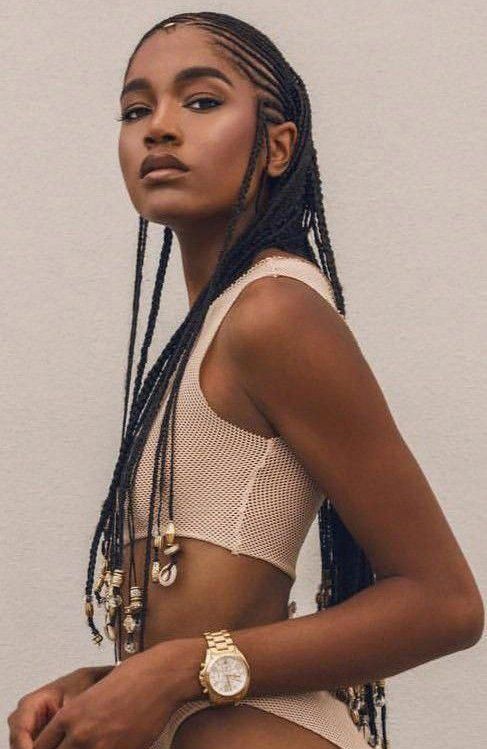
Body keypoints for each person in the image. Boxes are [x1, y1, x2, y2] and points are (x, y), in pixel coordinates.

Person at [8, 11, 484, 749]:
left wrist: (171, 672)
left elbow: (445, 604)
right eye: (136, 110)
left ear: (277, 146)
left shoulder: (273, 313)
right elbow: (209, 627)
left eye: (201, 101)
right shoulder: (211, 331)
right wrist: (107, 682)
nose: (160, 129)